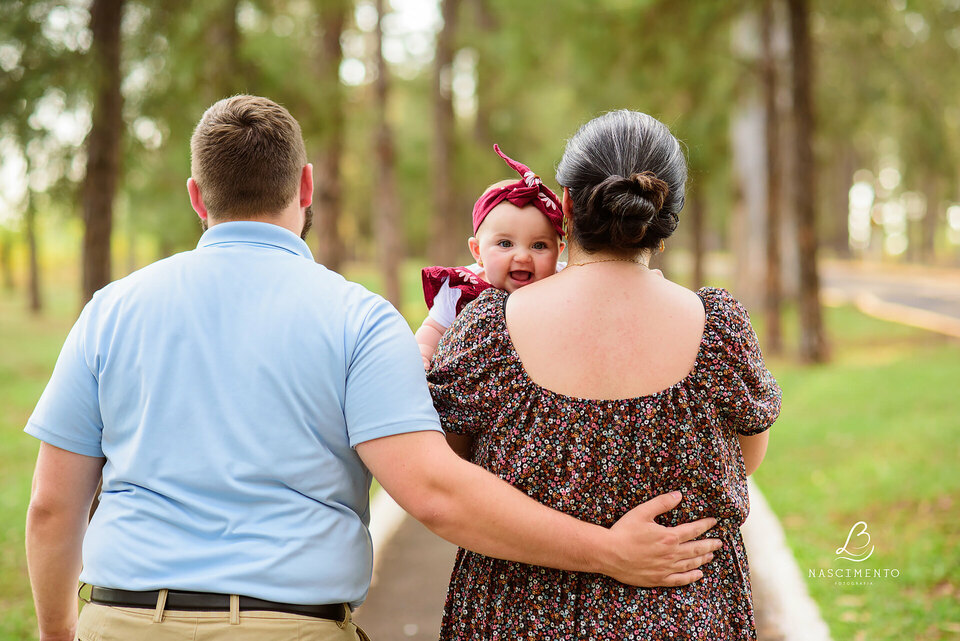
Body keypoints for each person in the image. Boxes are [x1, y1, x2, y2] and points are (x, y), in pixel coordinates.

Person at [24, 97, 724, 641]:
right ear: (305, 185)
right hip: (290, 626)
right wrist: (608, 551)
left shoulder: (109, 311)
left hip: (121, 620)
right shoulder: (357, 320)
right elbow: (435, 492)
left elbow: (52, 506)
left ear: (197, 196)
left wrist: (58, 630)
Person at [428, 110, 782, 640]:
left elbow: (451, 470)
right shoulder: (720, 330)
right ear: (666, 218)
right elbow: (746, 459)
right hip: (684, 617)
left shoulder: (488, 330)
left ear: (566, 205)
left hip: (518, 619)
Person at [415, 145, 566, 368]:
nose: (523, 257)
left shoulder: (563, 282)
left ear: (559, 252)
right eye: (505, 244)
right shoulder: (461, 290)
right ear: (478, 251)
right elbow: (433, 329)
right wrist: (422, 355)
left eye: (539, 245)